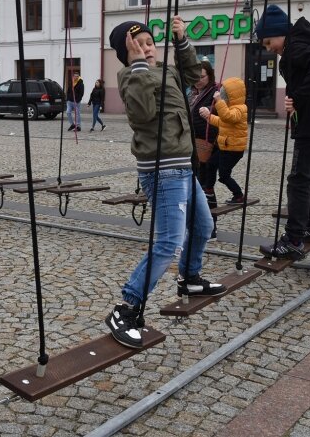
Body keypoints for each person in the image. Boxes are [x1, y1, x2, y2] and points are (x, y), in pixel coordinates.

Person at [105, 18, 226, 349]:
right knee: (169, 241)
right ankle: (126, 308)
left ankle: (189, 276)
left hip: (183, 165)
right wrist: (139, 65)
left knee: (202, 226)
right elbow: (144, 113)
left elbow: (193, 74)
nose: (147, 48)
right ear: (126, 53)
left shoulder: (167, 72)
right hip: (161, 170)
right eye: (138, 45)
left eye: (149, 42)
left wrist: (182, 40)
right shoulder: (130, 77)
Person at [256, 5, 310, 259]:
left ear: (281, 33)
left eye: (269, 41)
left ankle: (293, 239)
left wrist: (301, 98)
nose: (268, 47)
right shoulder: (302, 45)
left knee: (298, 181)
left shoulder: (298, 48)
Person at [199, 77, 248, 205]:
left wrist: (219, 101)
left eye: (224, 93)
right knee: (211, 164)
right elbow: (223, 122)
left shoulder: (240, 109)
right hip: (225, 147)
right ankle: (208, 190)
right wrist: (209, 117)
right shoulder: (229, 107)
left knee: (224, 175)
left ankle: (238, 196)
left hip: (233, 150)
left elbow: (228, 117)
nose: (222, 95)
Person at [188, 60, 219, 235]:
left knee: (206, 185)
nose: (198, 80)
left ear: (209, 75)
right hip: (192, 145)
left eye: (201, 77)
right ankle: (197, 224)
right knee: (195, 186)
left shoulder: (215, 92)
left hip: (208, 145)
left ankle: (211, 227)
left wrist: (211, 110)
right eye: (195, 77)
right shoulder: (192, 93)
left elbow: (222, 113)